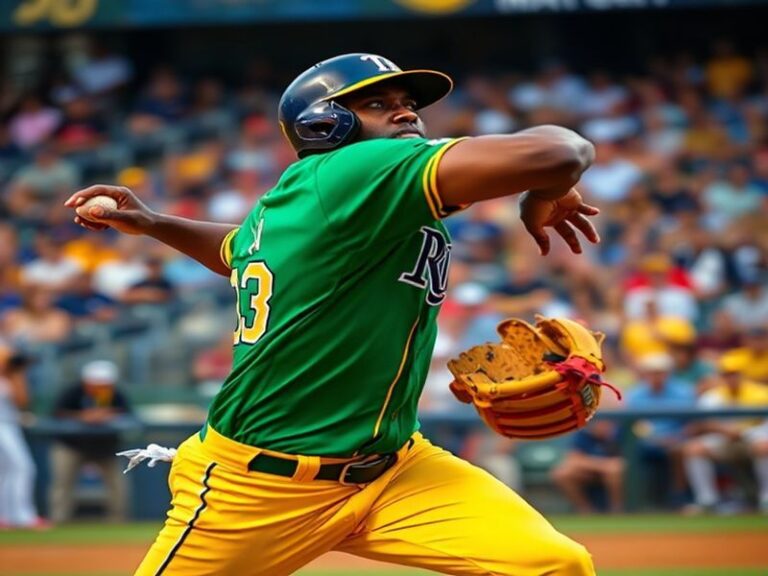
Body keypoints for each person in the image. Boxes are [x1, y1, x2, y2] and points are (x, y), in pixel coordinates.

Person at [65, 53, 600, 576]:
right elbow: (563, 150)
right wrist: (547, 187)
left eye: (408, 102)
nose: (407, 112)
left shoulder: (319, 196)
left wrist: (156, 222)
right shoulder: (354, 170)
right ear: (323, 123)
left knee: (555, 564)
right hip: (262, 487)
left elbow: (236, 251)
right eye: (377, 103)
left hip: (396, 470)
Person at [682, 353, 768, 514]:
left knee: (764, 446)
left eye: (734, 374)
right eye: (727, 374)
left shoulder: (762, 393)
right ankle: (707, 501)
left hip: (754, 437)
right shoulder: (712, 397)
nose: (731, 378)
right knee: (694, 449)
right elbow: (701, 424)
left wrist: (744, 431)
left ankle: (766, 499)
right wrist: (721, 429)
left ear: (742, 374)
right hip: (723, 439)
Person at [49, 360, 132, 523]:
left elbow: (127, 414)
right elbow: (57, 414)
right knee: (62, 485)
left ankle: (118, 522)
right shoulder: (73, 392)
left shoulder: (115, 394)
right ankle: (59, 521)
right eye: (97, 383)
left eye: (106, 384)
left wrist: (107, 415)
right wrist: (83, 417)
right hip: (72, 445)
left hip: (105, 447)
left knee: (118, 485)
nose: (102, 387)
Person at [0, 341, 47, 529]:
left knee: (10, 471)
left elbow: (22, 401)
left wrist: (17, 372)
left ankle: (8, 516)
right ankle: (21, 516)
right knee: (22, 467)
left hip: (9, 425)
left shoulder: (10, 377)